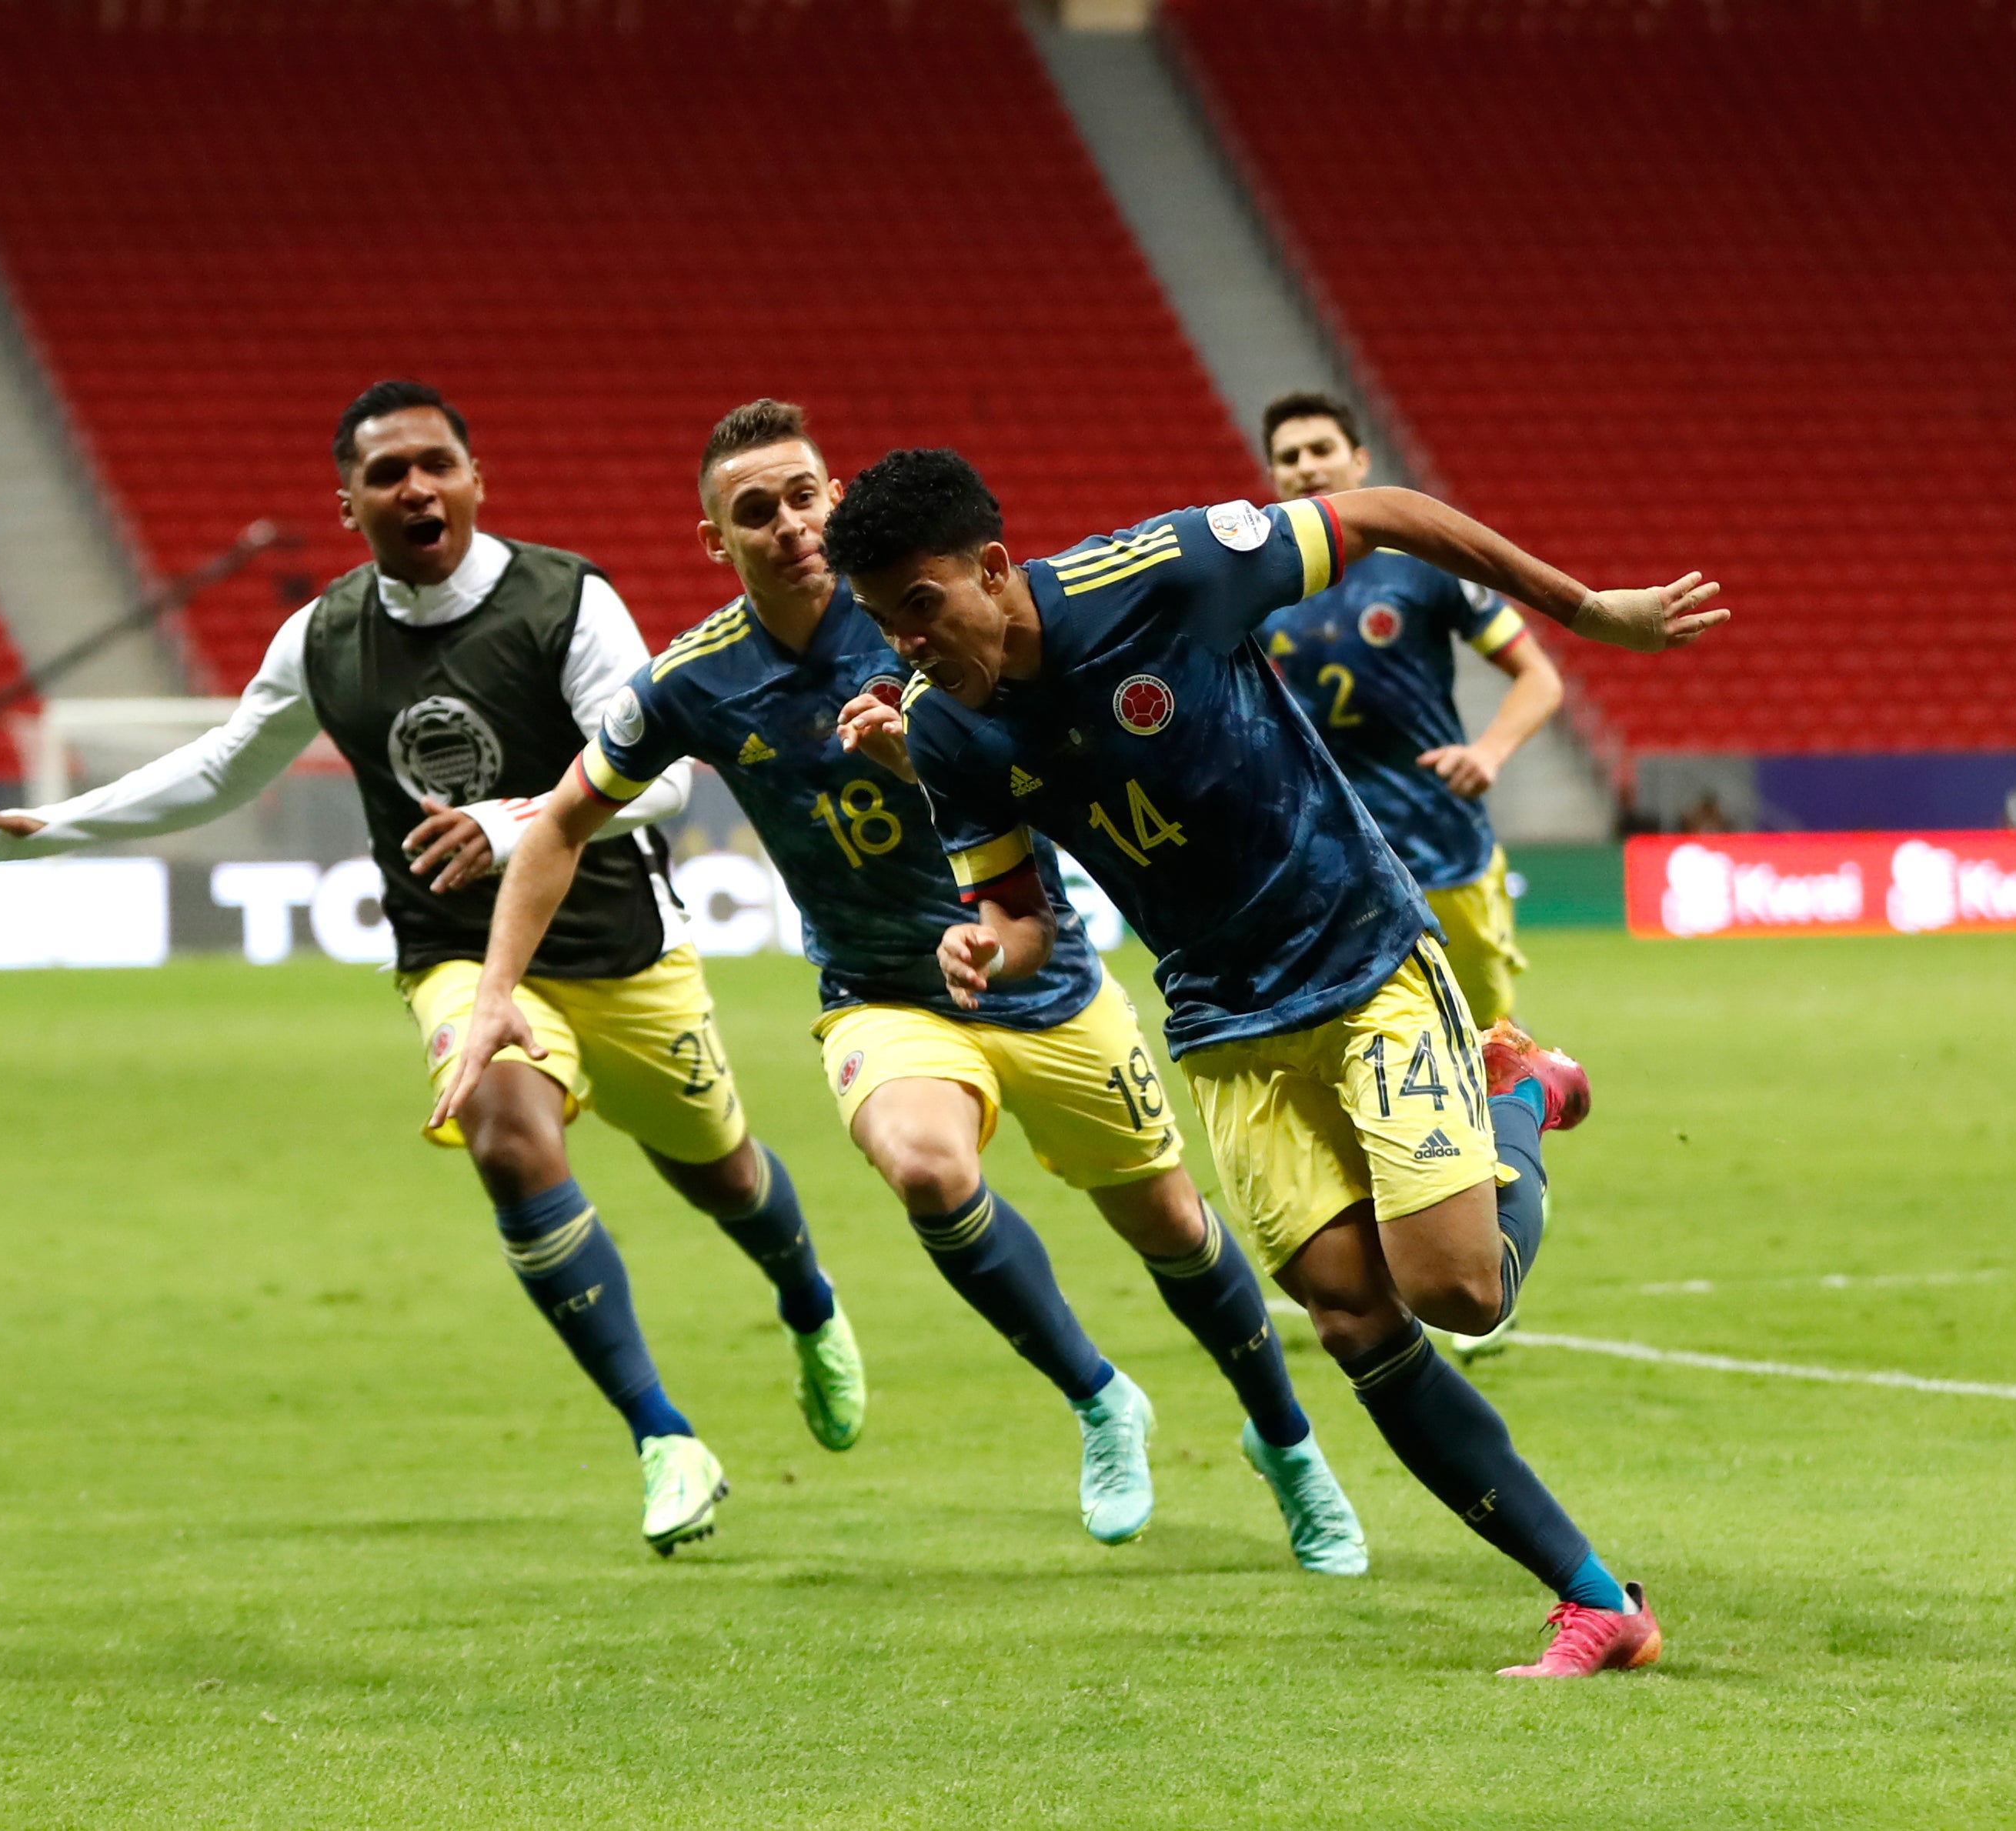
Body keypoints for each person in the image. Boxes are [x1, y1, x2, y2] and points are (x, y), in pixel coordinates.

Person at [826, 447, 1726, 1677]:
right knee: (1351, 1316)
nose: (906, 644)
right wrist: (985, 946)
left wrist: (1583, 610)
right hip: (1224, 1029)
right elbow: (1021, 916)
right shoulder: (943, 732)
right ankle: (1594, 1602)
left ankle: (1515, 1093)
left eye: (920, 606)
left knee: (1459, 1294)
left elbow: (1386, 511)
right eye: (883, 621)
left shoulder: (1161, 574)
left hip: (1360, 958)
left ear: (991, 567)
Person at [0, 380, 860, 1554]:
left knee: (720, 1174)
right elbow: (225, 766)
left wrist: (512, 823)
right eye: (386, 474)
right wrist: (53, 827)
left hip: (621, 948)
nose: (415, 488)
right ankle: (661, 1436)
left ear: (475, 483)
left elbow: (666, 779)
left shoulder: (566, 601)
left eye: (435, 466)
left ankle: (808, 1303)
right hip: (455, 953)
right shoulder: (322, 638)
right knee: (504, 1136)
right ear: (350, 505)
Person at [436, 401, 1363, 1570]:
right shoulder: (693, 678)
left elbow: (1054, 765)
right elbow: (565, 820)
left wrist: (920, 756)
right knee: (927, 1168)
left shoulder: (927, 613)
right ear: (716, 542)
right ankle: (1097, 1395)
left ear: (835, 499)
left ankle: (1286, 1441)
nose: (789, 525)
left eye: (803, 497)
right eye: (755, 512)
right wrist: (494, 993)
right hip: (881, 989)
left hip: (1038, 967)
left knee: (1174, 1227)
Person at [1254, 392, 1561, 1032]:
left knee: (1488, 1041)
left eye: (1321, 449)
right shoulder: (1258, 587)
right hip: (1332, 859)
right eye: (1289, 457)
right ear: (1274, 475)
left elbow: (1540, 677)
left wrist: (1489, 752)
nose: (1306, 466)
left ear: (1360, 461)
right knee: (1355, 1041)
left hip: (1442, 845)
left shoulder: (1425, 564)